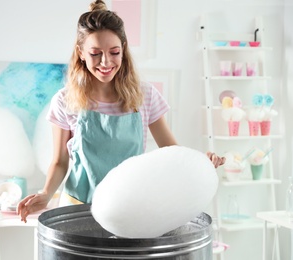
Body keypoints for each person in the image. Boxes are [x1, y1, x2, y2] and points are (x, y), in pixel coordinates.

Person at [18, 0, 225, 222]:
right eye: (95, 53)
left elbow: (171, 152)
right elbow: (60, 161)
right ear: (81, 52)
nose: (105, 62)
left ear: (123, 50)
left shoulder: (145, 96)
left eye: (114, 52)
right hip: (78, 209)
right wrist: (45, 194)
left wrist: (200, 162)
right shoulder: (64, 100)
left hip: (128, 208)